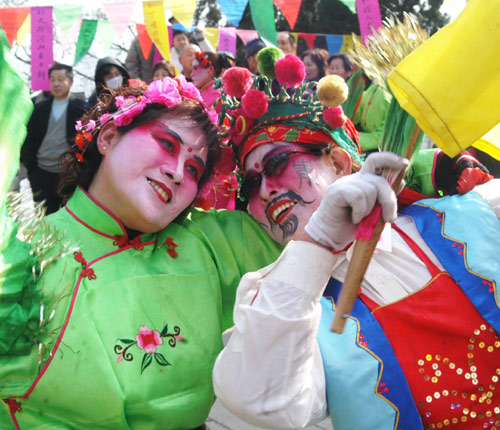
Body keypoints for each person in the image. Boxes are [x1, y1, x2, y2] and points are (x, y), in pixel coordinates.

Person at [212, 54, 499, 430]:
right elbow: (261, 402)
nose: (265, 191)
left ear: (340, 163)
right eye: (250, 185)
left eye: (278, 163)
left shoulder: (473, 213)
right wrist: (317, 246)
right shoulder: (276, 305)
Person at [1, 73, 283, 427]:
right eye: (167, 144)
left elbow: (313, 232)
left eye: (194, 169)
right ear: (108, 137)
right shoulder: (23, 251)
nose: (179, 173)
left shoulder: (210, 242)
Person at [20, 63, 89, 214]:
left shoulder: (81, 108)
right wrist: (32, 169)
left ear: (70, 82)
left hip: (69, 174)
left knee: (69, 216)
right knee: (44, 219)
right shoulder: (39, 109)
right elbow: (28, 140)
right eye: (52, 80)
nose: (56, 84)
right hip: (42, 172)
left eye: (60, 79)